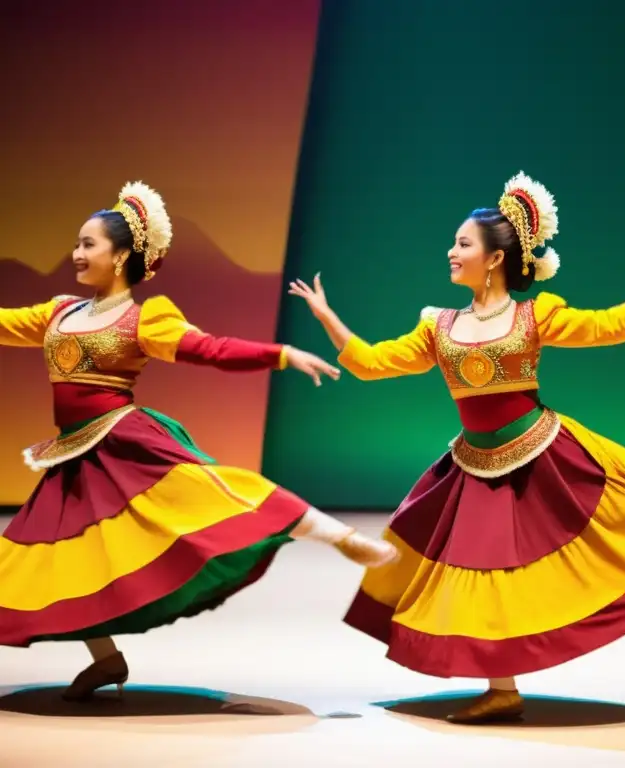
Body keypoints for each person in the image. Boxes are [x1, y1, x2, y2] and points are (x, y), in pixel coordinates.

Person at [289, 171, 625, 724]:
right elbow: (371, 363)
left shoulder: (536, 315)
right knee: (484, 569)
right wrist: (327, 318)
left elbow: (607, 326)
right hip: (476, 463)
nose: (451, 252)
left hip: (543, 452)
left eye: (463, 244)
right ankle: (502, 688)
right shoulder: (439, 325)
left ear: (495, 259)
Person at [0, 181, 397, 702]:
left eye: (89, 244)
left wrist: (278, 354)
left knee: (217, 491)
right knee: (59, 555)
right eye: (77, 243)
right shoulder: (59, 313)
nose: (76, 254)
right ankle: (107, 658)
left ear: (121, 256)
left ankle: (338, 535)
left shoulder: (142, 319)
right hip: (74, 451)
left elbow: (209, 349)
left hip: (123, 439)